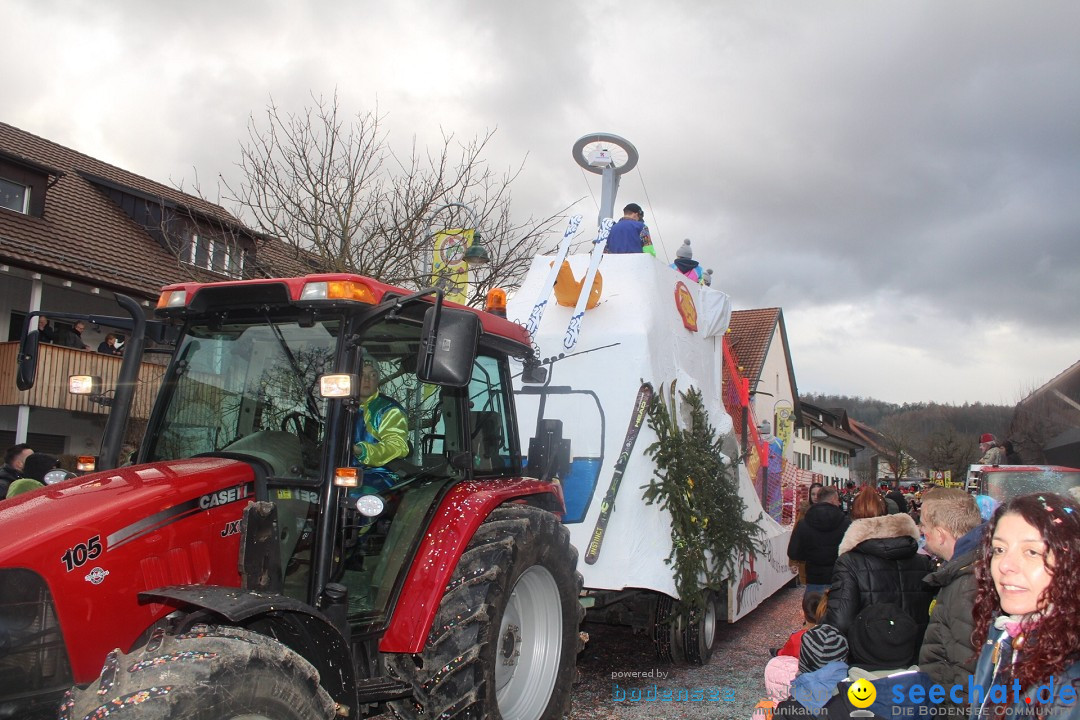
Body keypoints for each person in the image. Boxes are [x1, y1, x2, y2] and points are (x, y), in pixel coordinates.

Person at [969, 492, 1080, 718]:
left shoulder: (1072, 674)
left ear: (1072, 563)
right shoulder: (1002, 634)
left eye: (1031, 552)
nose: (1005, 565)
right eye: (999, 549)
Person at [823, 486, 934, 642]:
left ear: (853, 518)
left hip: (867, 654)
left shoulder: (848, 563)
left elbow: (841, 621)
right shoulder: (923, 561)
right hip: (915, 650)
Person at [917, 487, 984, 698]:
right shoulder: (966, 568)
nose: (920, 530)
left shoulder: (966, 584)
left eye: (924, 524)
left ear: (940, 534)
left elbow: (969, 671)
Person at [351, 357, 410, 493]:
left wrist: (362, 450)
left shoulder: (388, 409)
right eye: (361, 375)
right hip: (342, 473)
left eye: (372, 375)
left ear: (377, 380)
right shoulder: (339, 408)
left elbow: (397, 446)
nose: (366, 380)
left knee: (356, 496)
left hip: (378, 474)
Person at [787, 485, 850, 596]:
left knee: (813, 609)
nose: (839, 503)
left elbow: (794, 552)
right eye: (838, 500)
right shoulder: (845, 523)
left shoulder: (804, 523)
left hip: (814, 578)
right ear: (833, 500)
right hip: (838, 577)